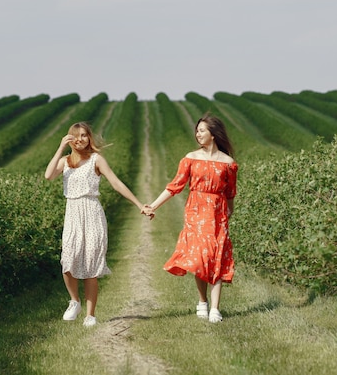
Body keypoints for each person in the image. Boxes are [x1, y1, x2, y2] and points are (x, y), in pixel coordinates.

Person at [44, 122, 152, 327]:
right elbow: (48, 176)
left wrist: (139, 204)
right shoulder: (65, 161)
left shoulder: (96, 160)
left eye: (84, 135)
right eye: (76, 136)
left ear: (89, 138)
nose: (81, 139)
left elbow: (116, 182)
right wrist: (60, 148)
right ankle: (74, 301)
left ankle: (90, 315)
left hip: (92, 212)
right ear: (70, 139)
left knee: (91, 265)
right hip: (73, 213)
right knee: (68, 259)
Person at [146, 114, 238, 323]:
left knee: (216, 256)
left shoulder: (229, 163)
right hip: (196, 213)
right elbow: (175, 186)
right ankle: (203, 301)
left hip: (218, 214)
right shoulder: (191, 158)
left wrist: (228, 213)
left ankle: (215, 308)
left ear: (213, 134)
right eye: (197, 131)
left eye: (202, 130)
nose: (197, 134)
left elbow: (231, 192)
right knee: (200, 257)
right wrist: (154, 205)